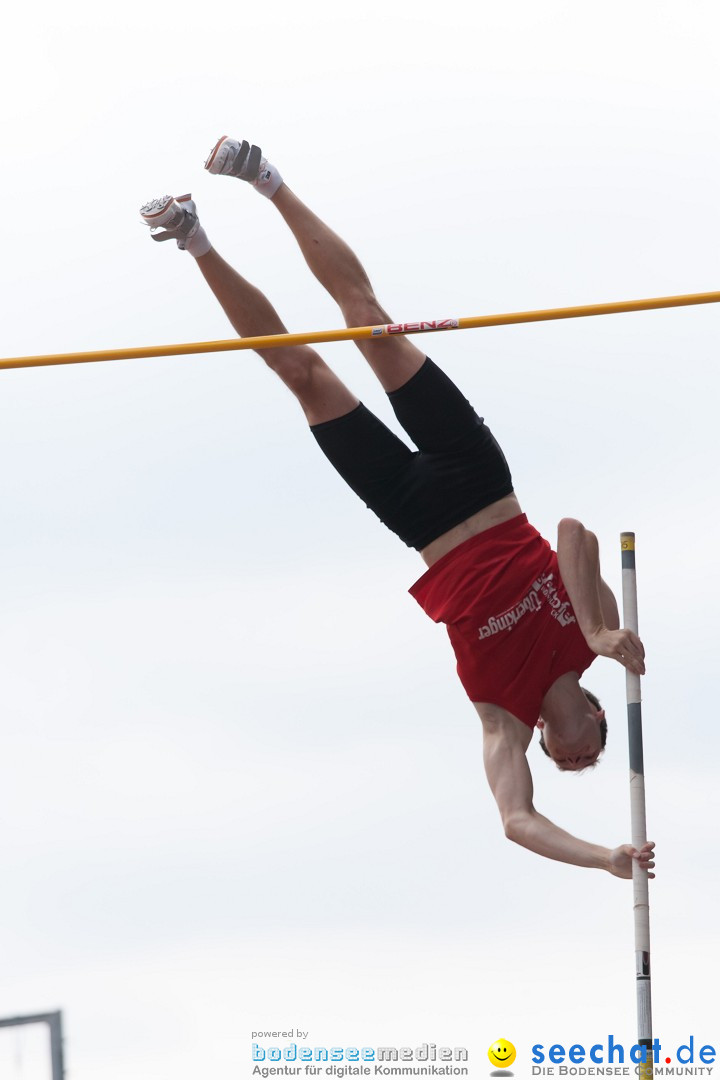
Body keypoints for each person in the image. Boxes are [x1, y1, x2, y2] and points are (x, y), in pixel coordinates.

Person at [140, 137, 655, 881]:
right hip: (480, 481)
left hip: (419, 521)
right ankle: (267, 179)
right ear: (601, 721)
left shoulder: (502, 718)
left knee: (302, 373)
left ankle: (193, 239)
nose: (574, 761)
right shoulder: (593, 636)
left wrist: (604, 856)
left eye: (564, 764)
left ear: (543, 739)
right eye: (590, 756)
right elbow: (574, 531)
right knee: (367, 316)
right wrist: (602, 627)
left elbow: (516, 820)